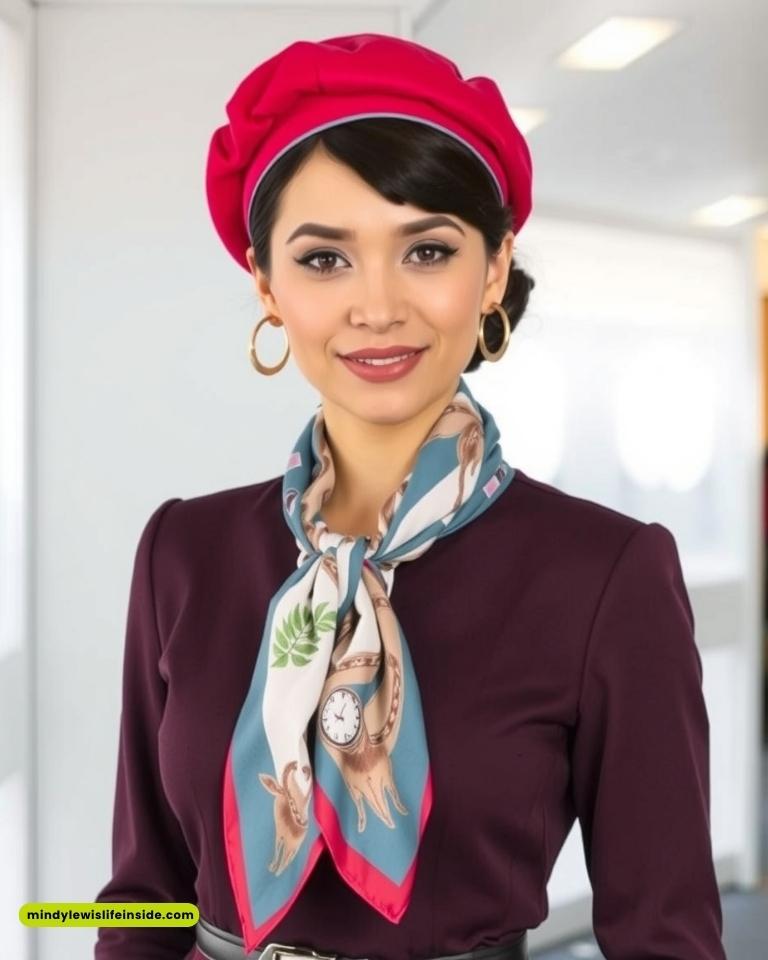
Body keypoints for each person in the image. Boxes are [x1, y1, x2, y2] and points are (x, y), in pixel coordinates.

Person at [93, 32, 727, 960]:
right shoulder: (182, 553)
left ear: (495, 271)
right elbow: (142, 899)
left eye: (427, 250)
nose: (378, 305)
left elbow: (665, 937)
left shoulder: (607, 574)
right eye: (323, 260)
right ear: (266, 285)